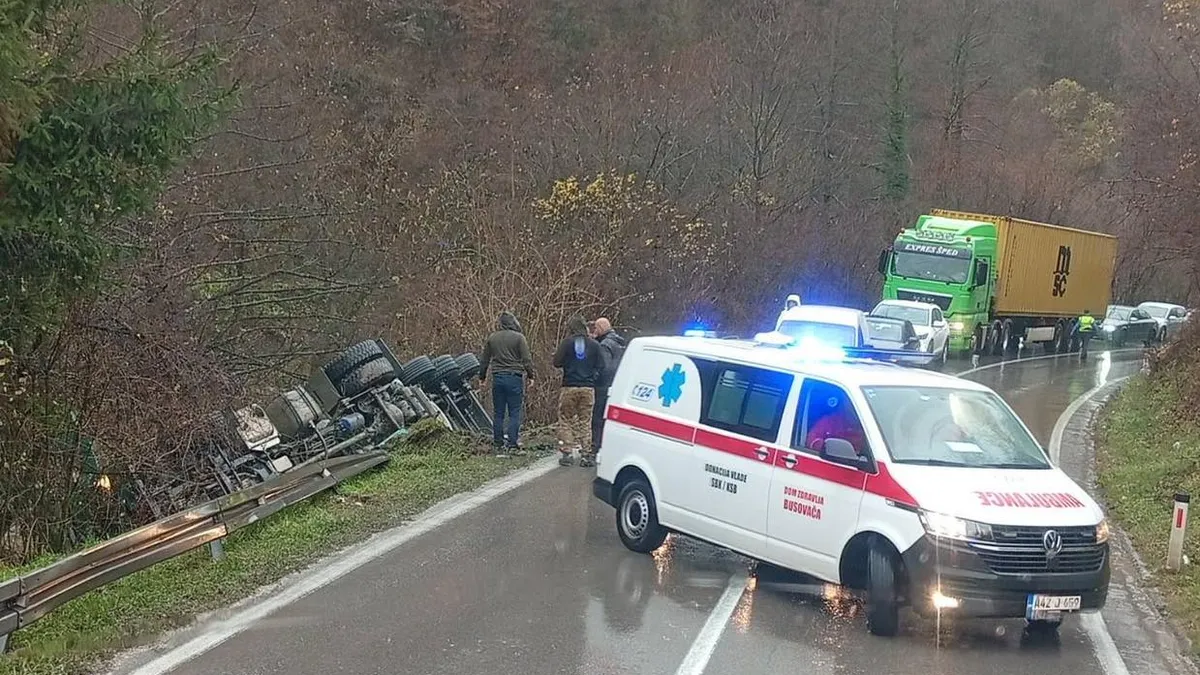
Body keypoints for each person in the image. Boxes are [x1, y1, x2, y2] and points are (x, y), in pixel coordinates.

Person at [479, 311, 535, 455]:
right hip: (514, 377)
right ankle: (512, 443)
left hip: (498, 378)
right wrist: (530, 375)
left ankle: (498, 442)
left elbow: (485, 360)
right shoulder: (519, 338)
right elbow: (526, 359)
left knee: (498, 413)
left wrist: (482, 377)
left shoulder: (492, 338)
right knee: (514, 412)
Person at [552, 314, 602, 466]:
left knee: (566, 419)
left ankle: (567, 453)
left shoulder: (566, 343)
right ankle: (587, 454)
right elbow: (602, 365)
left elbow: (557, 362)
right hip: (587, 387)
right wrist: (592, 375)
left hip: (569, 386)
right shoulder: (594, 345)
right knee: (585, 421)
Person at [590, 317, 626, 458]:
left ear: (601, 328)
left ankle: (597, 445)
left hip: (604, 386)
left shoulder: (605, 345)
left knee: (598, 417)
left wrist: (594, 379)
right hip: (617, 384)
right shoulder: (620, 343)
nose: (595, 332)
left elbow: (604, 367)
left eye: (596, 329)